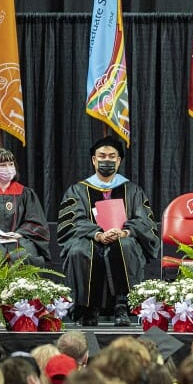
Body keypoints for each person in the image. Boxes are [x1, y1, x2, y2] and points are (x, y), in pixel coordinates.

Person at [57, 136, 158, 327]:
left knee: (126, 245)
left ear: (119, 161)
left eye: (112, 156)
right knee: (80, 250)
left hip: (122, 237)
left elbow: (144, 220)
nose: (107, 160)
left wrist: (125, 232)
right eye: (102, 156)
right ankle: (88, 308)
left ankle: (122, 307)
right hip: (90, 238)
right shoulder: (78, 190)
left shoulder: (132, 190)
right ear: (94, 160)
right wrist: (97, 234)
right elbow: (73, 220)